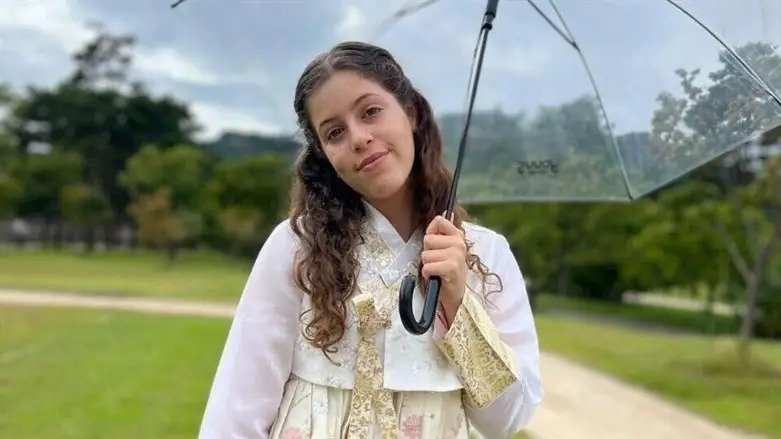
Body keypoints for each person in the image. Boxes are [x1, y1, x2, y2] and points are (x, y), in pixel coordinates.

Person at [198, 41, 542, 439]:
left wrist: (457, 301)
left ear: (410, 112)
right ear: (324, 155)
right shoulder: (296, 246)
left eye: (371, 112)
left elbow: (507, 419)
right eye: (335, 132)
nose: (359, 138)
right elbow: (236, 410)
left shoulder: (487, 253)